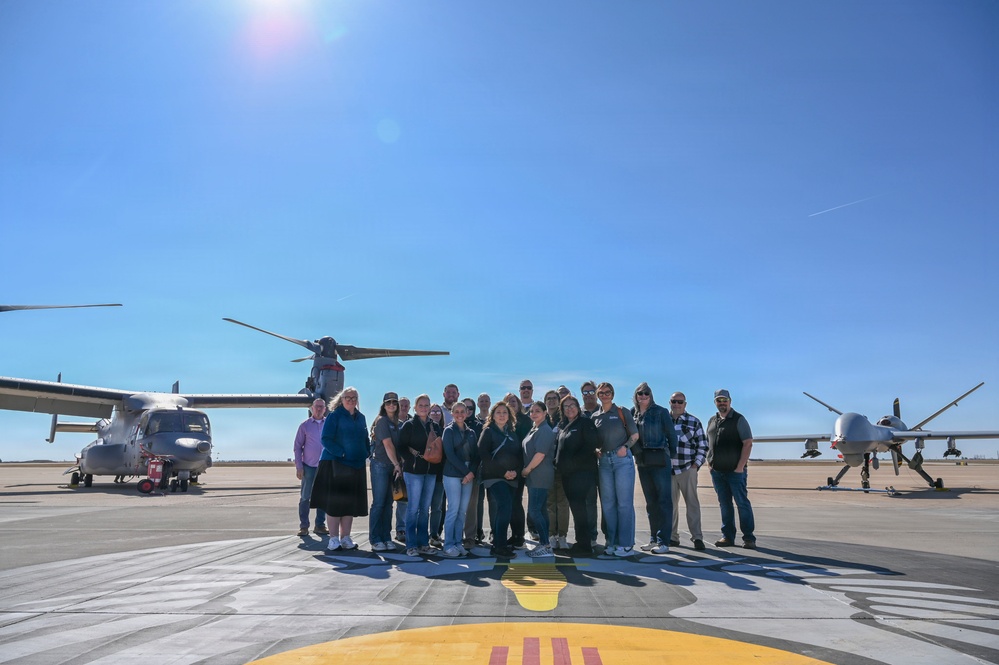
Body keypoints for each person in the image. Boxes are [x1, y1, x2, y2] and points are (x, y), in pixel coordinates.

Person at [311, 387, 369, 552]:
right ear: (341, 399)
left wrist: (366, 451)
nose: (351, 400)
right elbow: (326, 439)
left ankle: (346, 538)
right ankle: (334, 539)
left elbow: (365, 438)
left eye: (354, 397)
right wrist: (341, 453)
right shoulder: (334, 416)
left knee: (349, 504)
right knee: (335, 503)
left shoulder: (361, 418)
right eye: (347, 397)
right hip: (336, 464)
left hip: (356, 465)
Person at [591, 382, 639, 557]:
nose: (604, 395)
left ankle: (626, 544)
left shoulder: (622, 411)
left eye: (607, 392)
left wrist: (625, 447)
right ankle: (611, 541)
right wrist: (596, 450)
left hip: (622, 461)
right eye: (601, 393)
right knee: (608, 504)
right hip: (604, 462)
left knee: (624, 504)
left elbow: (634, 435)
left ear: (612, 394)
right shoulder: (595, 417)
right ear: (597, 395)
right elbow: (594, 441)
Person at [706, 389, 757, 549]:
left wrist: (740, 467)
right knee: (724, 504)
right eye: (719, 400)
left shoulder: (739, 419)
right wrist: (710, 463)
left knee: (742, 503)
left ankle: (749, 538)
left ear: (730, 401)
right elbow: (710, 443)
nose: (722, 403)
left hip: (736, 472)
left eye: (724, 400)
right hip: (717, 471)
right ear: (715, 402)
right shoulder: (712, 421)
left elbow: (748, 443)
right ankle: (727, 536)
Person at [631, 383, 679, 554]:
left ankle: (664, 541)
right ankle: (653, 538)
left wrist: (671, 456)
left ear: (651, 395)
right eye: (640, 393)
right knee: (651, 503)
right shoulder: (633, 413)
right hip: (643, 462)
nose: (643, 396)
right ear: (636, 396)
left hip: (660, 460)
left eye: (646, 393)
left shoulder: (661, 412)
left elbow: (671, 435)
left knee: (664, 501)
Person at [398, 394, 444, 556]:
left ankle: (423, 543)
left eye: (426, 405)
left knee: (425, 509)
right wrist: (413, 459)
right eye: (421, 405)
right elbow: (400, 446)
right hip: (414, 472)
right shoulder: (409, 425)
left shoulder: (435, 426)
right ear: (415, 408)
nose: (424, 408)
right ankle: (411, 545)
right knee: (413, 508)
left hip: (430, 472)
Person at [555, 395, 600, 556]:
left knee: (581, 510)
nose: (569, 408)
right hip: (567, 475)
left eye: (572, 405)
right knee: (576, 509)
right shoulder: (564, 425)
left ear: (578, 406)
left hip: (581, 475)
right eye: (565, 406)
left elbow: (591, 445)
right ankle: (581, 542)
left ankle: (585, 545)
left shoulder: (585, 423)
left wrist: (573, 464)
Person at [477, 401, 523, 558]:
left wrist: (515, 472)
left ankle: (499, 542)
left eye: (505, 412)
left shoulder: (512, 434)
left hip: (511, 478)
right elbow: (484, 454)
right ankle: (499, 546)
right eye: (498, 412)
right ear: (493, 415)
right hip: (494, 477)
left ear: (509, 415)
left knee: (506, 509)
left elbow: (518, 456)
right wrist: (503, 472)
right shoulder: (488, 431)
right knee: (504, 506)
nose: (502, 415)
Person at [669, 391, 708, 551]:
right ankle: (672, 536)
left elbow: (703, 445)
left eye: (680, 402)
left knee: (692, 504)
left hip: (687, 469)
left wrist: (696, 465)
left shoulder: (694, 422)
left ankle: (697, 537)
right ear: (670, 403)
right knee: (670, 505)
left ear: (685, 404)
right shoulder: (664, 421)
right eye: (674, 401)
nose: (677, 404)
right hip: (669, 471)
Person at [441, 402, 478, 557]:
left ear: (467, 412)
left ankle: (458, 542)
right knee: (453, 509)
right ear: (452, 413)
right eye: (456, 411)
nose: (460, 414)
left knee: (462, 511)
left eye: (463, 411)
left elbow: (476, 455)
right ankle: (448, 544)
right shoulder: (448, 431)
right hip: (452, 473)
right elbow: (450, 455)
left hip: (468, 473)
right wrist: (466, 473)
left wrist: (472, 472)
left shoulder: (471, 433)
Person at [369, 392, 403, 552]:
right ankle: (375, 539)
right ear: (384, 405)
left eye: (394, 403)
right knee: (379, 503)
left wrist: (397, 465)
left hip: (393, 467)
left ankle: (386, 537)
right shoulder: (382, 421)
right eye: (388, 402)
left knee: (389, 504)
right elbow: (388, 445)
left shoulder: (397, 422)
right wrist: (397, 464)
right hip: (381, 465)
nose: (391, 405)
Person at [522, 402, 556, 557]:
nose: (534, 413)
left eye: (538, 411)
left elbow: (540, 454)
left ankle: (545, 545)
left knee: (534, 510)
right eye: (531, 411)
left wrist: (527, 470)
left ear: (545, 413)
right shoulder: (535, 428)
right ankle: (545, 543)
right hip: (534, 476)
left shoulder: (544, 430)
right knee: (541, 510)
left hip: (539, 475)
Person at [293, 399, 329, 536]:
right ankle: (304, 526)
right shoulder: (305, 426)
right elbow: (297, 447)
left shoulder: (329, 424)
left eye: (321, 407)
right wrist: (299, 466)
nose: (319, 409)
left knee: (323, 497)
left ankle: (320, 525)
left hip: (325, 466)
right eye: (316, 407)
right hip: (309, 466)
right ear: (312, 409)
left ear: (325, 409)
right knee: (305, 497)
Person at [503, 392, 530, 546]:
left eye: (514, 401)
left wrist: (519, 468)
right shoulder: (502, 419)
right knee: (508, 502)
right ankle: (511, 534)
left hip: (518, 468)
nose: (511, 403)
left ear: (519, 403)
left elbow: (524, 445)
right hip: (503, 469)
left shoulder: (525, 420)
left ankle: (519, 535)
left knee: (516, 502)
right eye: (508, 401)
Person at [543, 389, 569, 549]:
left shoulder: (565, 419)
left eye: (554, 398)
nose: (551, 401)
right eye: (548, 398)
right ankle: (552, 535)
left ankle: (563, 536)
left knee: (563, 502)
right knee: (550, 503)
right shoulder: (542, 418)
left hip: (563, 467)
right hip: (546, 467)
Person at [461, 397, 484, 548]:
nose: (468, 411)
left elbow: (480, 452)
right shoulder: (453, 426)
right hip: (455, 471)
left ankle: (470, 537)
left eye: (470, 408)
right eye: (465, 408)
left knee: (472, 506)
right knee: (456, 506)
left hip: (474, 471)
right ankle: (455, 536)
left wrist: (472, 471)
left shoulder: (479, 427)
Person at [427, 404, 448, 547]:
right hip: (425, 473)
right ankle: (421, 534)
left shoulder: (444, 431)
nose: (435, 413)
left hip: (440, 474)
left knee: (437, 507)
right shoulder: (424, 428)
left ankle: (434, 534)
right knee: (422, 507)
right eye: (432, 411)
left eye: (438, 411)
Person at [394, 396, 412, 542]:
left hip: (408, 467)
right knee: (393, 500)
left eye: (407, 405)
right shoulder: (391, 422)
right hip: (392, 465)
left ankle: (404, 529)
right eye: (402, 405)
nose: (404, 407)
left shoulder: (412, 422)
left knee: (404, 500)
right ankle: (396, 529)